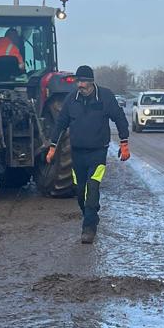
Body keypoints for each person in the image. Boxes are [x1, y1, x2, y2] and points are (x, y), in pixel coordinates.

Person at [47, 66, 130, 243]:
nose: (80, 85)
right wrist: (52, 147)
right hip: (77, 153)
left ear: (92, 82)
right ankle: (91, 214)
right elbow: (60, 124)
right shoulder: (71, 99)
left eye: (84, 81)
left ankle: (88, 228)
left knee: (92, 187)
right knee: (80, 192)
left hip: (98, 151)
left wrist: (124, 143)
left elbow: (120, 118)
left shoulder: (105, 97)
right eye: (78, 81)